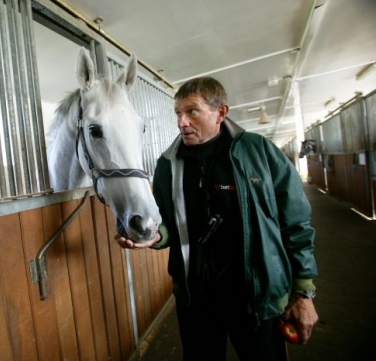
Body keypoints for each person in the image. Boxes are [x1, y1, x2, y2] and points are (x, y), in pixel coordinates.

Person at [115, 77, 318, 361]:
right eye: (178, 113)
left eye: (192, 112)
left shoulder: (259, 152)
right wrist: (155, 236)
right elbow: (168, 224)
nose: (181, 122)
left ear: (221, 113)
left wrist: (303, 291)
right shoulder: (167, 165)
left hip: (256, 298)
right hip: (196, 299)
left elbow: (296, 223)